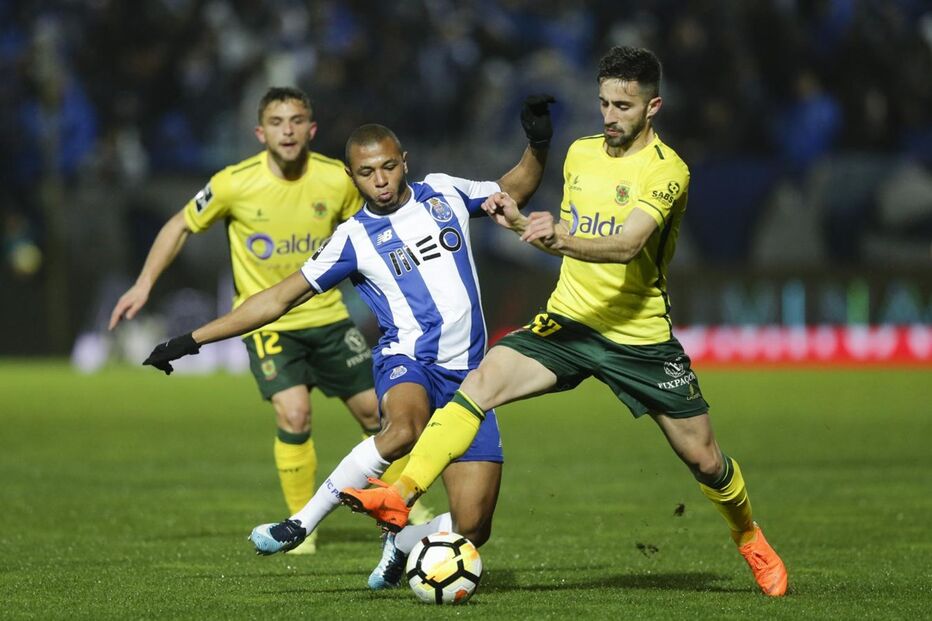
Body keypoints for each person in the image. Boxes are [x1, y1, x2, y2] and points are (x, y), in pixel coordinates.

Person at [339, 46, 789, 597]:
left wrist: (559, 236)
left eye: (623, 105)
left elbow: (625, 246)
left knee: (704, 458)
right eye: (603, 102)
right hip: (568, 323)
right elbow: (568, 243)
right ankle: (400, 492)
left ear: (653, 108)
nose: (609, 116)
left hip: (637, 338)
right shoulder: (579, 154)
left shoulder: (668, 170)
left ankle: (749, 536)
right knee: (479, 384)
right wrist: (520, 223)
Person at [142, 101, 553, 588]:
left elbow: (512, 191)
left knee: (473, 529)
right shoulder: (352, 237)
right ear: (351, 176)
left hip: (472, 380)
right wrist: (192, 340)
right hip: (408, 362)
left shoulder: (444, 192)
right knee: (403, 429)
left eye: (387, 167)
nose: (379, 180)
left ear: (405, 160)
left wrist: (539, 144)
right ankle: (301, 522)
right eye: (366, 172)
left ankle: (403, 541)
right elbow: (276, 300)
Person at [108, 87, 431, 554]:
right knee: (294, 413)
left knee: (376, 414)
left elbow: (375, 232)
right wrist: (143, 284)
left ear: (311, 129)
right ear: (260, 132)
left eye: (298, 120)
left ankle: (406, 505)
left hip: (328, 318)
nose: (288, 130)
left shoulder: (336, 179)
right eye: (278, 122)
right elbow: (179, 224)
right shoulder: (233, 183)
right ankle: (306, 528)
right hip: (269, 325)